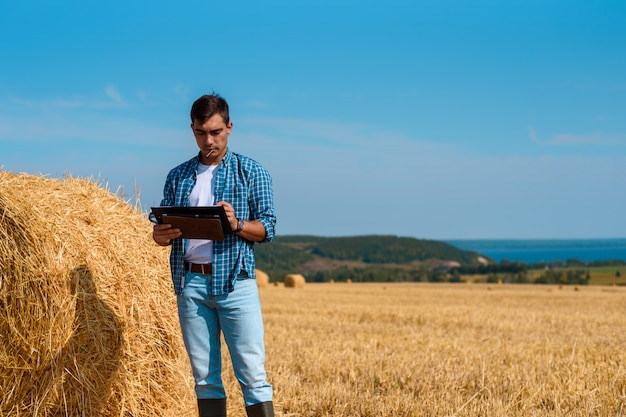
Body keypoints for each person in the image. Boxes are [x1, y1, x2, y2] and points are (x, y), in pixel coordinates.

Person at [152, 94, 276, 417]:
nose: (209, 140)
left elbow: (268, 228)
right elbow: (163, 231)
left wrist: (237, 224)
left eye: (216, 132)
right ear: (192, 129)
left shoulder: (251, 171)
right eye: (201, 132)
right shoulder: (177, 176)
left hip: (236, 283)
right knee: (205, 380)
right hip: (190, 284)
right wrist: (160, 235)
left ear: (230, 127)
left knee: (252, 377)